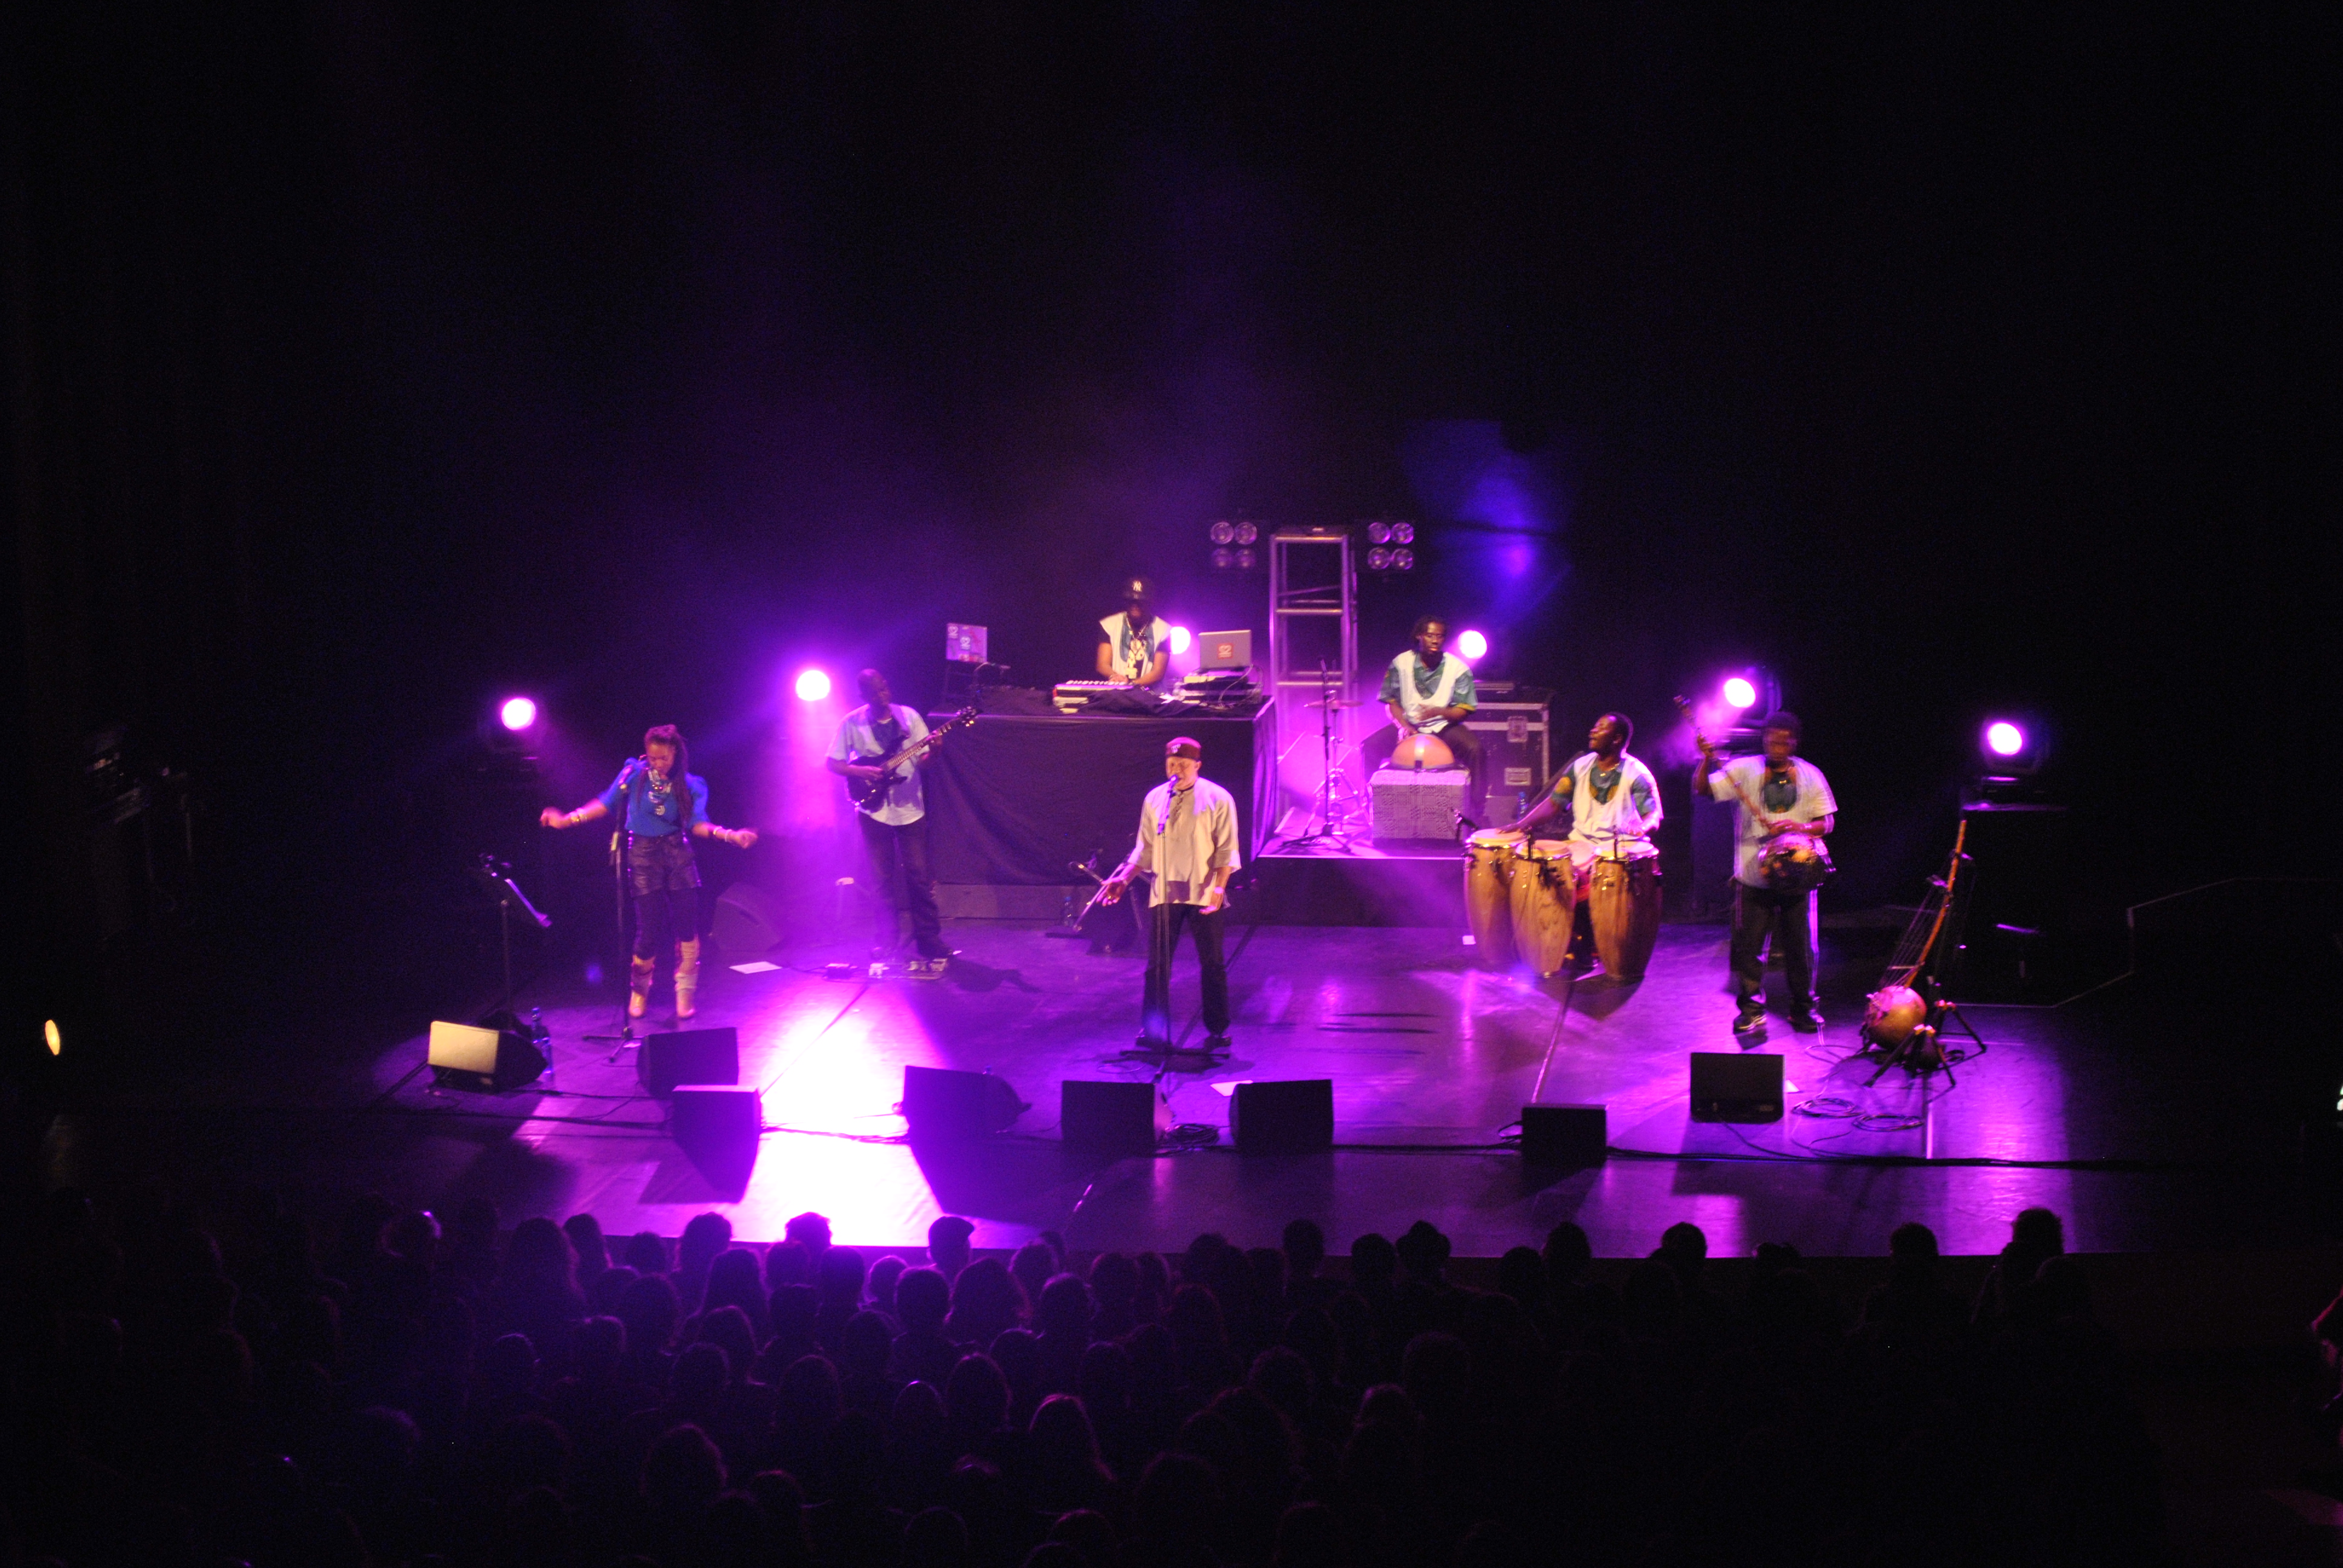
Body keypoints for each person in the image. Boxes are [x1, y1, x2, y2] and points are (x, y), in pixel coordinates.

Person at [542, 724, 756, 1020]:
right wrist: (568, 820)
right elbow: (606, 803)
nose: (657, 764)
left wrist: (730, 835)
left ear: (676, 755)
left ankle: (685, 992)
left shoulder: (691, 784)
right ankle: (639, 990)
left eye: (664, 758)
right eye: (653, 758)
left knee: (686, 927)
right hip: (642, 854)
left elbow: (697, 824)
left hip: (677, 854)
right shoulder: (633, 774)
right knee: (649, 930)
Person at [1696, 710, 1837, 1035]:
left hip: (1798, 879)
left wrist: (1798, 826)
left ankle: (1803, 1009)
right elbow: (1704, 790)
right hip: (1753, 877)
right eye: (1772, 740)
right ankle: (1751, 1011)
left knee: (1802, 950)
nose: (1777, 746)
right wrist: (1705, 760)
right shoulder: (1744, 770)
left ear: (1794, 744)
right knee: (1749, 949)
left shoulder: (1811, 775)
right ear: (1765, 740)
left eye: (1784, 742)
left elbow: (1827, 822)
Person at [1101, 736, 1240, 1050]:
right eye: (1171, 764)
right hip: (1165, 892)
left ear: (1197, 765)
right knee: (1157, 966)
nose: (1176, 769)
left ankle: (1217, 1030)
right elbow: (1145, 846)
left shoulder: (1218, 798)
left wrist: (1220, 887)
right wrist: (1124, 878)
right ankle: (1153, 1030)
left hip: (1204, 891)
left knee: (1212, 963)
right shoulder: (1155, 799)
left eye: (1183, 764)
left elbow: (1227, 849)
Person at [827, 668, 953, 976]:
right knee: (881, 881)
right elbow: (833, 763)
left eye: (885, 688)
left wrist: (934, 751)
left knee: (919, 877)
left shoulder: (908, 718)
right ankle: (886, 939)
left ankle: (929, 940)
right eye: (876, 692)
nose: (884, 695)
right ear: (865, 696)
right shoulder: (851, 723)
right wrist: (862, 773)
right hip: (874, 812)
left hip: (911, 810)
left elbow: (925, 762)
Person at [1363, 616, 1486, 820]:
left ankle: (1476, 811)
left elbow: (1463, 710)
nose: (1435, 641)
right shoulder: (1401, 663)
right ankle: (1369, 806)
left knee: (1475, 750)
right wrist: (1403, 726)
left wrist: (1439, 712)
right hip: (1409, 725)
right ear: (1419, 636)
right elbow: (1391, 702)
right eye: (1430, 636)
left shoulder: (1459, 668)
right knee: (1369, 747)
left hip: (1444, 728)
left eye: (1440, 636)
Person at [1503, 711, 1662, 867]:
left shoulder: (1637, 774)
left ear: (1617, 739)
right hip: (1582, 844)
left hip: (1620, 849)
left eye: (1601, 728)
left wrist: (1641, 828)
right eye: (1595, 727)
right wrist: (1521, 825)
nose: (1593, 731)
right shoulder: (1579, 767)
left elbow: (1653, 816)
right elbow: (1554, 803)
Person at [1095, 577, 1172, 687]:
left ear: (1150, 602)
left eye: (1140, 601)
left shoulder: (1163, 630)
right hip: (1117, 694)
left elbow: (1158, 672)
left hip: (1151, 698)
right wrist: (1114, 676)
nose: (1135, 605)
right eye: (1131, 601)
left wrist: (1131, 686)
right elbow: (1102, 664)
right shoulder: (1109, 625)